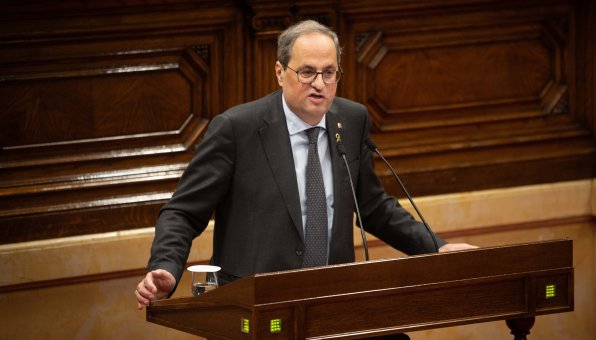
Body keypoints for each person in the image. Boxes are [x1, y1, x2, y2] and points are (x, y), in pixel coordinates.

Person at [135, 19, 476, 310]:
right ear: (280, 72)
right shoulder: (237, 129)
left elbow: (372, 206)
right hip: (256, 305)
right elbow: (183, 212)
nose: (319, 84)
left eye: (329, 73)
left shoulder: (351, 120)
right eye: (307, 72)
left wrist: (436, 248)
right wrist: (164, 268)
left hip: (333, 301)